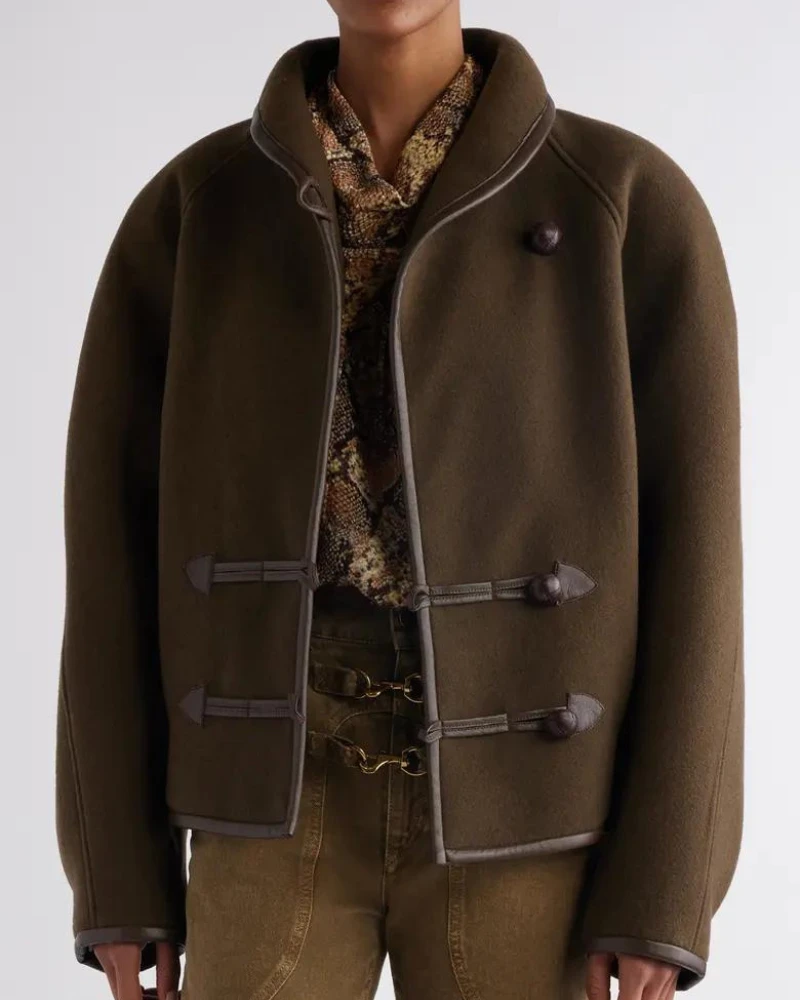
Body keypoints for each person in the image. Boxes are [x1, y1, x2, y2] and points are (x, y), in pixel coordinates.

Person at [55, 1, 744, 998]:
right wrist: (117, 870)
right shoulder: (197, 210)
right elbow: (107, 556)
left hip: (532, 806)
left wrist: (663, 889)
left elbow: (700, 568)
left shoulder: (624, 201)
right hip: (268, 783)